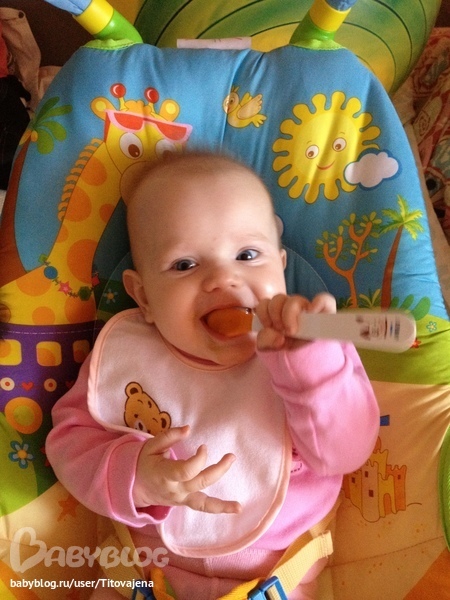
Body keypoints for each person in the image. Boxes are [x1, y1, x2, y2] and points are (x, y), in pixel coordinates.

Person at [46, 152, 380, 600]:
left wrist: (310, 366)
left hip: (274, 579)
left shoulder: (316, 354)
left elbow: (346, 452)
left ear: (281, 267)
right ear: (143, 297)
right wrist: (135, 476)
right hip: (143, 576)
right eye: (185, 265)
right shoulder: (127, 358)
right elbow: (70, 444)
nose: (223, 277)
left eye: (247, 255)